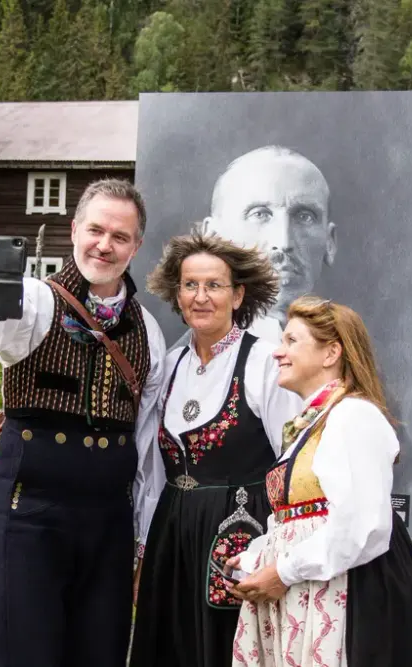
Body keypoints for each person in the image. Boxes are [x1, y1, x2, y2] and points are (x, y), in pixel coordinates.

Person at [0, 179, 167, 667]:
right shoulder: (33, 299)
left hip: (109, 519)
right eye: (96, 230)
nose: (105, 245)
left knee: (100, 649)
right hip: (31, 511)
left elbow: (147, 443)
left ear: (137, 245)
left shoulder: (149, 331)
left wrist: (142, 533)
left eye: (120, 236)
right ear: (74, 230)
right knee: (26, 647)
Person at [224, 296, 412, 667]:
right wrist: (257, 557)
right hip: (308, 592)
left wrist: (283, 571)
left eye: (291, 341)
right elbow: (299, 519)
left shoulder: (352, 416)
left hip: (348, 596)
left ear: (331, 353)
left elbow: (364, 527)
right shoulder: (312, 422)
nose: (277, 353)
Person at [129, 231, 303, 667]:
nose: (200, 297)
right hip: (173, 531)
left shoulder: (264, 362)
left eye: (214, 285)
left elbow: (294, 462)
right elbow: (153, 471)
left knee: (229, 649)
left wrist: (281, 558)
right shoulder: (168, 366)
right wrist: (143, 549)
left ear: (238, 295)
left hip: (239, 531)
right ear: (177, 294)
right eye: (190, 285)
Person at [202, 146, 338, 330]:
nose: (284, 242)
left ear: (330, 243)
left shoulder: (352, 355)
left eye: (305, 216)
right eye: (259, 215)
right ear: (213, 240)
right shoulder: (185, 359)